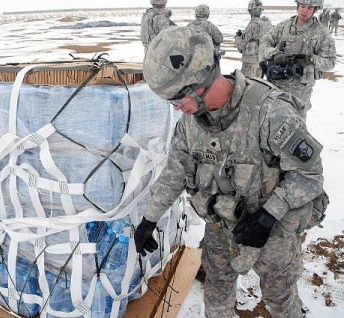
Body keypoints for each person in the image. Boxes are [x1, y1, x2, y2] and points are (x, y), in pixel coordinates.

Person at [136, 25, 326, 318]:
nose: (176, 109)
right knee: (216, 296)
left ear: (200, 81)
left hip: (272, 234)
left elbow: (309, 175)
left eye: (177, 99)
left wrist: (268, 216)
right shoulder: (190, 123)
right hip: (220, 230)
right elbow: (175, 171)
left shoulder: (270, 112)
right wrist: (149, 219)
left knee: (281, 302)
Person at [258, 0, 336, 119]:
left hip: (300, 92)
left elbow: (330, 62)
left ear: (315, 9)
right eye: (302, 6)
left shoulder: (322, 33)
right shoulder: (283, 27)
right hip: (275, 87)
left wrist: (310, 59)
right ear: (298, 6)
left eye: (309, 8)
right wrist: (275, 54)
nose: (304, 11)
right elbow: (264, 43)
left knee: (294, 128)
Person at [234, 0, 272, 77]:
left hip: (251, 62)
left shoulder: (252, 25)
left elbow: (241, 46)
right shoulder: (267, 23)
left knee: (247, 84)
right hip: (263, 60)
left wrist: (237, 37)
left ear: (250, 11)